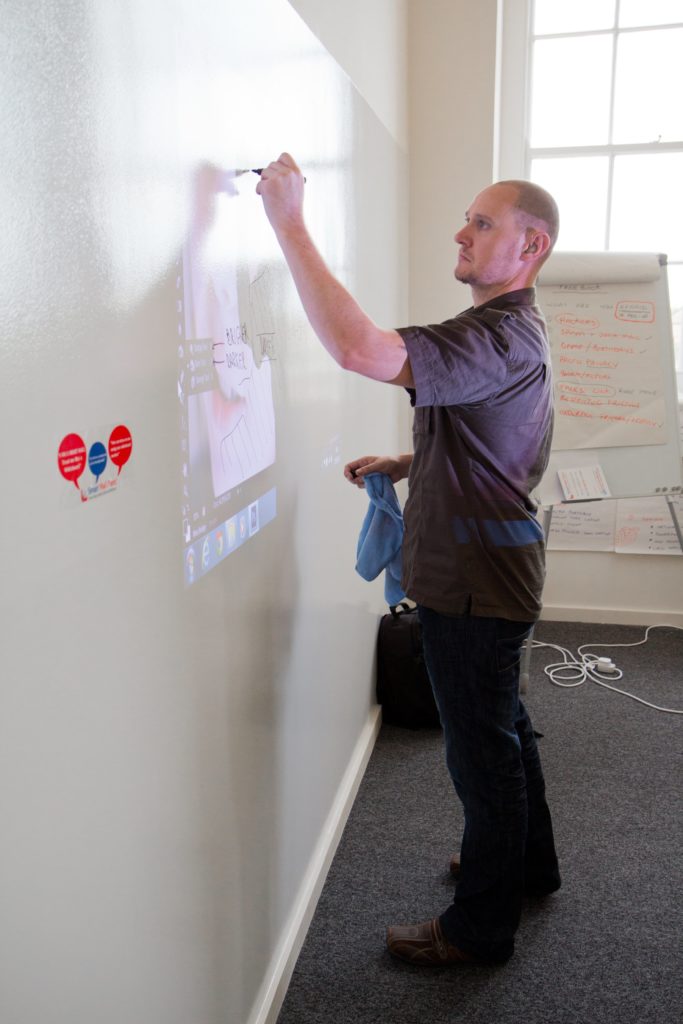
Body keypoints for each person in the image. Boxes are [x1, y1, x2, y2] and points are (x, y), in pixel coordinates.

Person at [256, 153, 561, 966]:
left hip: (472, 583)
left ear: (529, 247)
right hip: (491, 568)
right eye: (466, 217)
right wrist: (404, 463)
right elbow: (484, 440)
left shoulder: (495, 334)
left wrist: (288, 222)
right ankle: (525, 866)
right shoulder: (508, 334)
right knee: (504, 730)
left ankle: (478, 930)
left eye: (482, 223)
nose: (460, 233)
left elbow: (359, 349)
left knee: (481, 751)